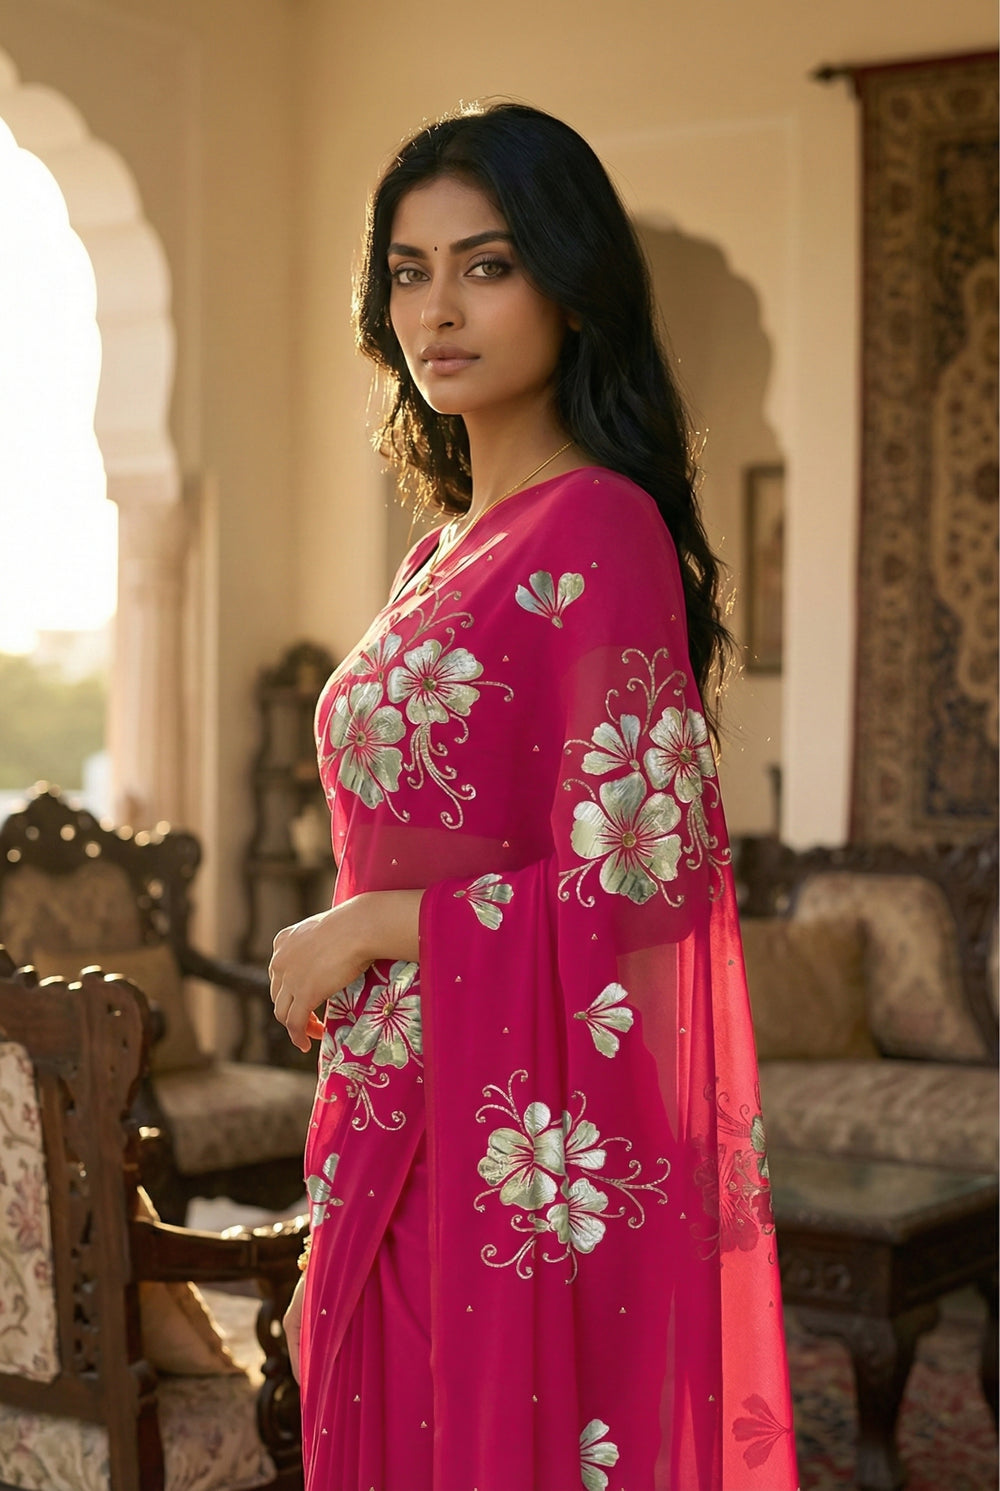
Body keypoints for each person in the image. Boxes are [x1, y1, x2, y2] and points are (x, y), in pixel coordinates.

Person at [269, 102, 798, 1491]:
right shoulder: (441, 552)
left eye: (486, 265)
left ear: (571, 286)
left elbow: (648, 891)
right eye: (408, 271)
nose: (438, 308)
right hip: (383, 1124)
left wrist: (373, 926)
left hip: (504, 1154)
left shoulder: (601, 526)